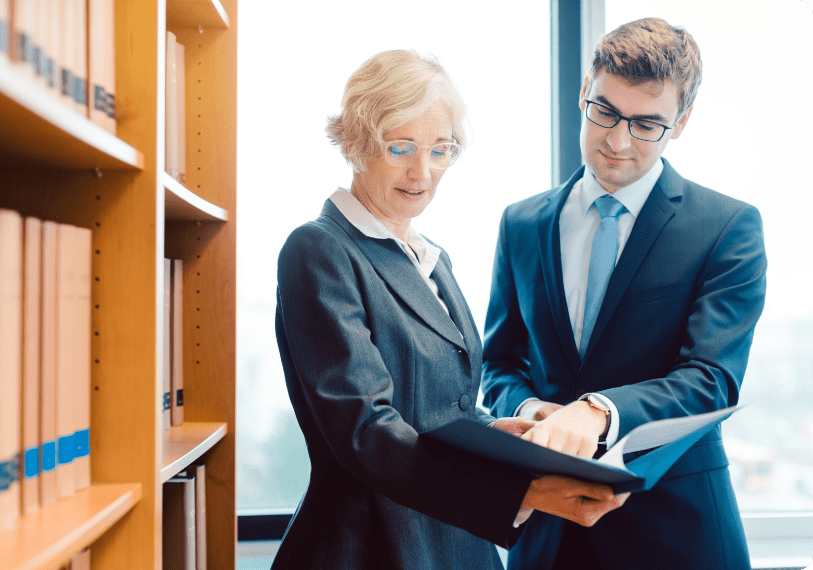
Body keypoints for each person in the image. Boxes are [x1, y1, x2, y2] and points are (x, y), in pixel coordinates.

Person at [272, 49, 628, 570]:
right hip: (372, 547)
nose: (423, 172)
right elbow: (364, 433)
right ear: (356, 142)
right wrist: (517, 492)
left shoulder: (430, 257)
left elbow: (444, 410)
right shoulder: (319, 250)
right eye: (400, 148)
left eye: (441, 150)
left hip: (455, 545)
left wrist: (497, 437)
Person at [482, 17, 766, 570]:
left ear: (681, 122)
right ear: (585, 91)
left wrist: (596, 412)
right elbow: (499, 363)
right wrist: (539, 414)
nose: (616, 142)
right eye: (605, 111)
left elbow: (712, 380)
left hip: (679, 535)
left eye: (646, 124)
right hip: (547, 534)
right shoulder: (520, 223)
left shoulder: (727, 226)